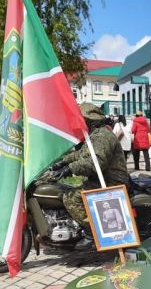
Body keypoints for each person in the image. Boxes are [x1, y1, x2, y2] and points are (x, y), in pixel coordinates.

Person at [52, 103, 130, 249]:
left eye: (83, 120)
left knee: (71, 197)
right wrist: (62, 162)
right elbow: (83, 154)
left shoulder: (102, 136)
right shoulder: (95, 135)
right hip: (102, 178)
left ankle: (92, 233)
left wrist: (71, 168)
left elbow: (97, 162)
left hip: (111, 181)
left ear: (90, 120)